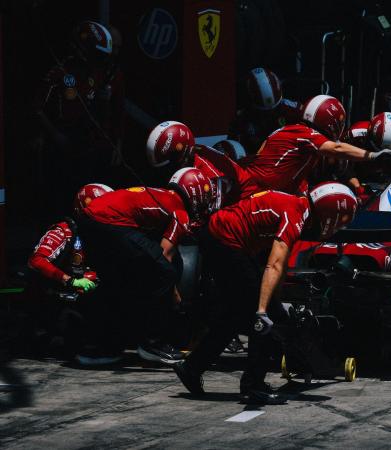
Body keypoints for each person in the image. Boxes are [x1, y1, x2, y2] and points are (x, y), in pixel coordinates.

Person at [173, 182, 358, 404]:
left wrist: (273, 300)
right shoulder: (296, 214)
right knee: (267, 319)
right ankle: (254, 386)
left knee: (235, 316)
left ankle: (192, 368)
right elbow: (274, 264)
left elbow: (281, 264)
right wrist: (262, 309)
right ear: (330, 215)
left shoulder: (298, 206)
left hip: (222, 239)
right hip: (225, 241)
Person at [77, 168, 216, 364]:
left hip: (90, 220)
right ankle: (153, 344)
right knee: (164, 273)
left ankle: (106, 348)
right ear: (196, 194)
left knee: (120, 283)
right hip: (108, 221)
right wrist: (175, 296)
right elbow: (165, 255)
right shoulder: (180, 211)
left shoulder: (162, 195)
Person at [33, 20, 124, 215]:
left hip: (88, 150)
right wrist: (56, 135)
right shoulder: (60, 72)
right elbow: (38, 109)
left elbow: (111, 112)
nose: (102, 60)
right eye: (98, 55)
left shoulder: (101, 74)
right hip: (62, 147)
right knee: (60, 201)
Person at [241, 95, 391, 196]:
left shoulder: (298, 138)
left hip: (258, 189)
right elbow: (337, 148)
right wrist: (373, 156)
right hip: (255, 191)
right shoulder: (305, 134)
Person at [146, 121, 253, 208]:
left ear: (182, 156)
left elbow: (207, 218)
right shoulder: (194, 151)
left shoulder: (211, 177)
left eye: (168, 167)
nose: (166, 172)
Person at [28, 184, 113, 292]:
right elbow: (37, 261)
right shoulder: (64, 230)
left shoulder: (105, 234)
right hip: (57, 295)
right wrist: (70, 281)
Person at [228, 67, 301, 154]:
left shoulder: (293, 109)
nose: (270, 114)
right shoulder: (241, 122)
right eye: (265, 112)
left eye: (274, 109)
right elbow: (234, 151)